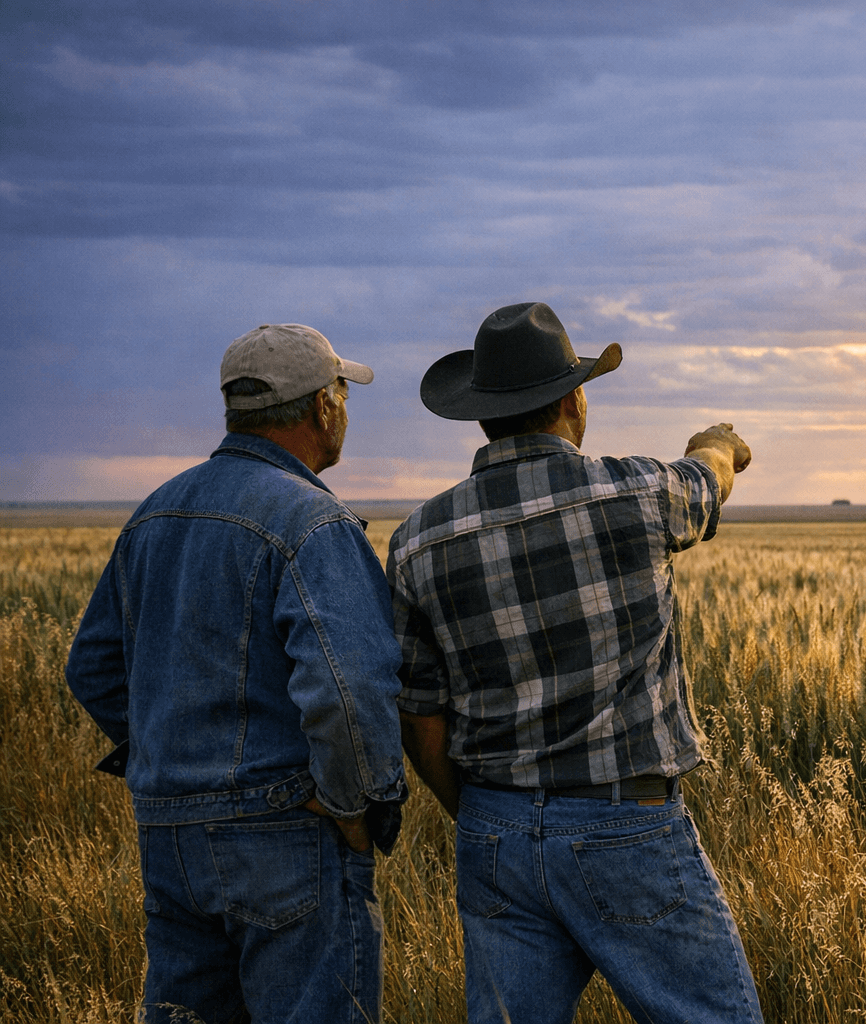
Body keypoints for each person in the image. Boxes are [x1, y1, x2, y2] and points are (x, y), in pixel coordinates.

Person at [388, 301, 763, 1024]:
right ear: (572, 399)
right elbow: (709, 477)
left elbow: (417, 709)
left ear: (483, 414)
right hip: (625, 824)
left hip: (494, 831)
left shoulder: (418, 540)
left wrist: (478, 813)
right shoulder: (637, 494)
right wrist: (717, 441)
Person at [65, 323, 407, 1024]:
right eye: (343, 392)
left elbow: (93, 666)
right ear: (323, 408)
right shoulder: (313, 521)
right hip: (284, 836)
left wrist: (174, 763)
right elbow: (351, 691)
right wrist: (354, 806)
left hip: (170, 841)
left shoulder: (152, 513)